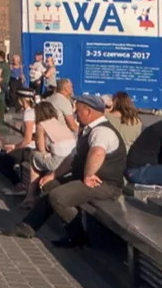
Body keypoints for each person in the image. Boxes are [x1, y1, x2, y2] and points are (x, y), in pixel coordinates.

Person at [11, 97, 127, 242]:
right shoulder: (87, 131)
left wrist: (89, 175)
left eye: (78, 111)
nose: (75, 115)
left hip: (104, 184)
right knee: (48, 185)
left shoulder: (102, 131)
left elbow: (97, 152)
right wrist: (53, 175)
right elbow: (72, 158)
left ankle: (78, 235)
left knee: (57, 197)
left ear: (88, 111)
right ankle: (28, 226)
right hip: (85, 180)